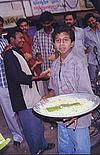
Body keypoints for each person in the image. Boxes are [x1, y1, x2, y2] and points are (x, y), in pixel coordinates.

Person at [3, 28, 55, 155]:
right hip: (23, 98)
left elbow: (25, 72)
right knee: (30, 127)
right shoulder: (9, 55)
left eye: (22, 37)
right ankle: (36, 150)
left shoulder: (17, 52)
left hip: (30, 96)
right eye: (19, 38)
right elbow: (18, 77)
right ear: (11, 40)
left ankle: (42, 144)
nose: (22, 40)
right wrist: (39, 77)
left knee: (38, 124)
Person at [45, 23, 93, 154]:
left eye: (65, 40)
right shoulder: (54, 65)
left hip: (78, 118)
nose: (61, 44)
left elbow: (87, 94)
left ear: (72, 43)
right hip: (61, 117)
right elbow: (53, 89)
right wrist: (47, 97)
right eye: (58, 40)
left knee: (81, 149)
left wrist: (76, 112)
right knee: (65, 148)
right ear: (54, 43)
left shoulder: (78, 64)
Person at [0, 16, 23, 146]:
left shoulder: (4, 41)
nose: (0, 27)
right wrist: (2, 55)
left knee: (19, 109)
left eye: (1, 25)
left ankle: (24, 131)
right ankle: (17, 136)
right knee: (9, 112)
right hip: (1, 83)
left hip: (13, 81)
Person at [32, 11, 55, 95]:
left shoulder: (56, 33)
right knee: (47, 93)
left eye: (48, 23)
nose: (46, 26)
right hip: (44, 70)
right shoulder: (37, 34)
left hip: (56, 68)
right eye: (44, 24)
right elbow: (35, 49)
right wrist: (38, 55)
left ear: (52, 22)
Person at [84, 13, 100, 84]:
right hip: (92, 59)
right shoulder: (84, 31)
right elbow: (81, 43)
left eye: (92, 20)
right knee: (94, 79)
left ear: (95, 19)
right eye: (89, 22)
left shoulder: (99, 28)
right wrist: (85, 49)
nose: (91, 22)